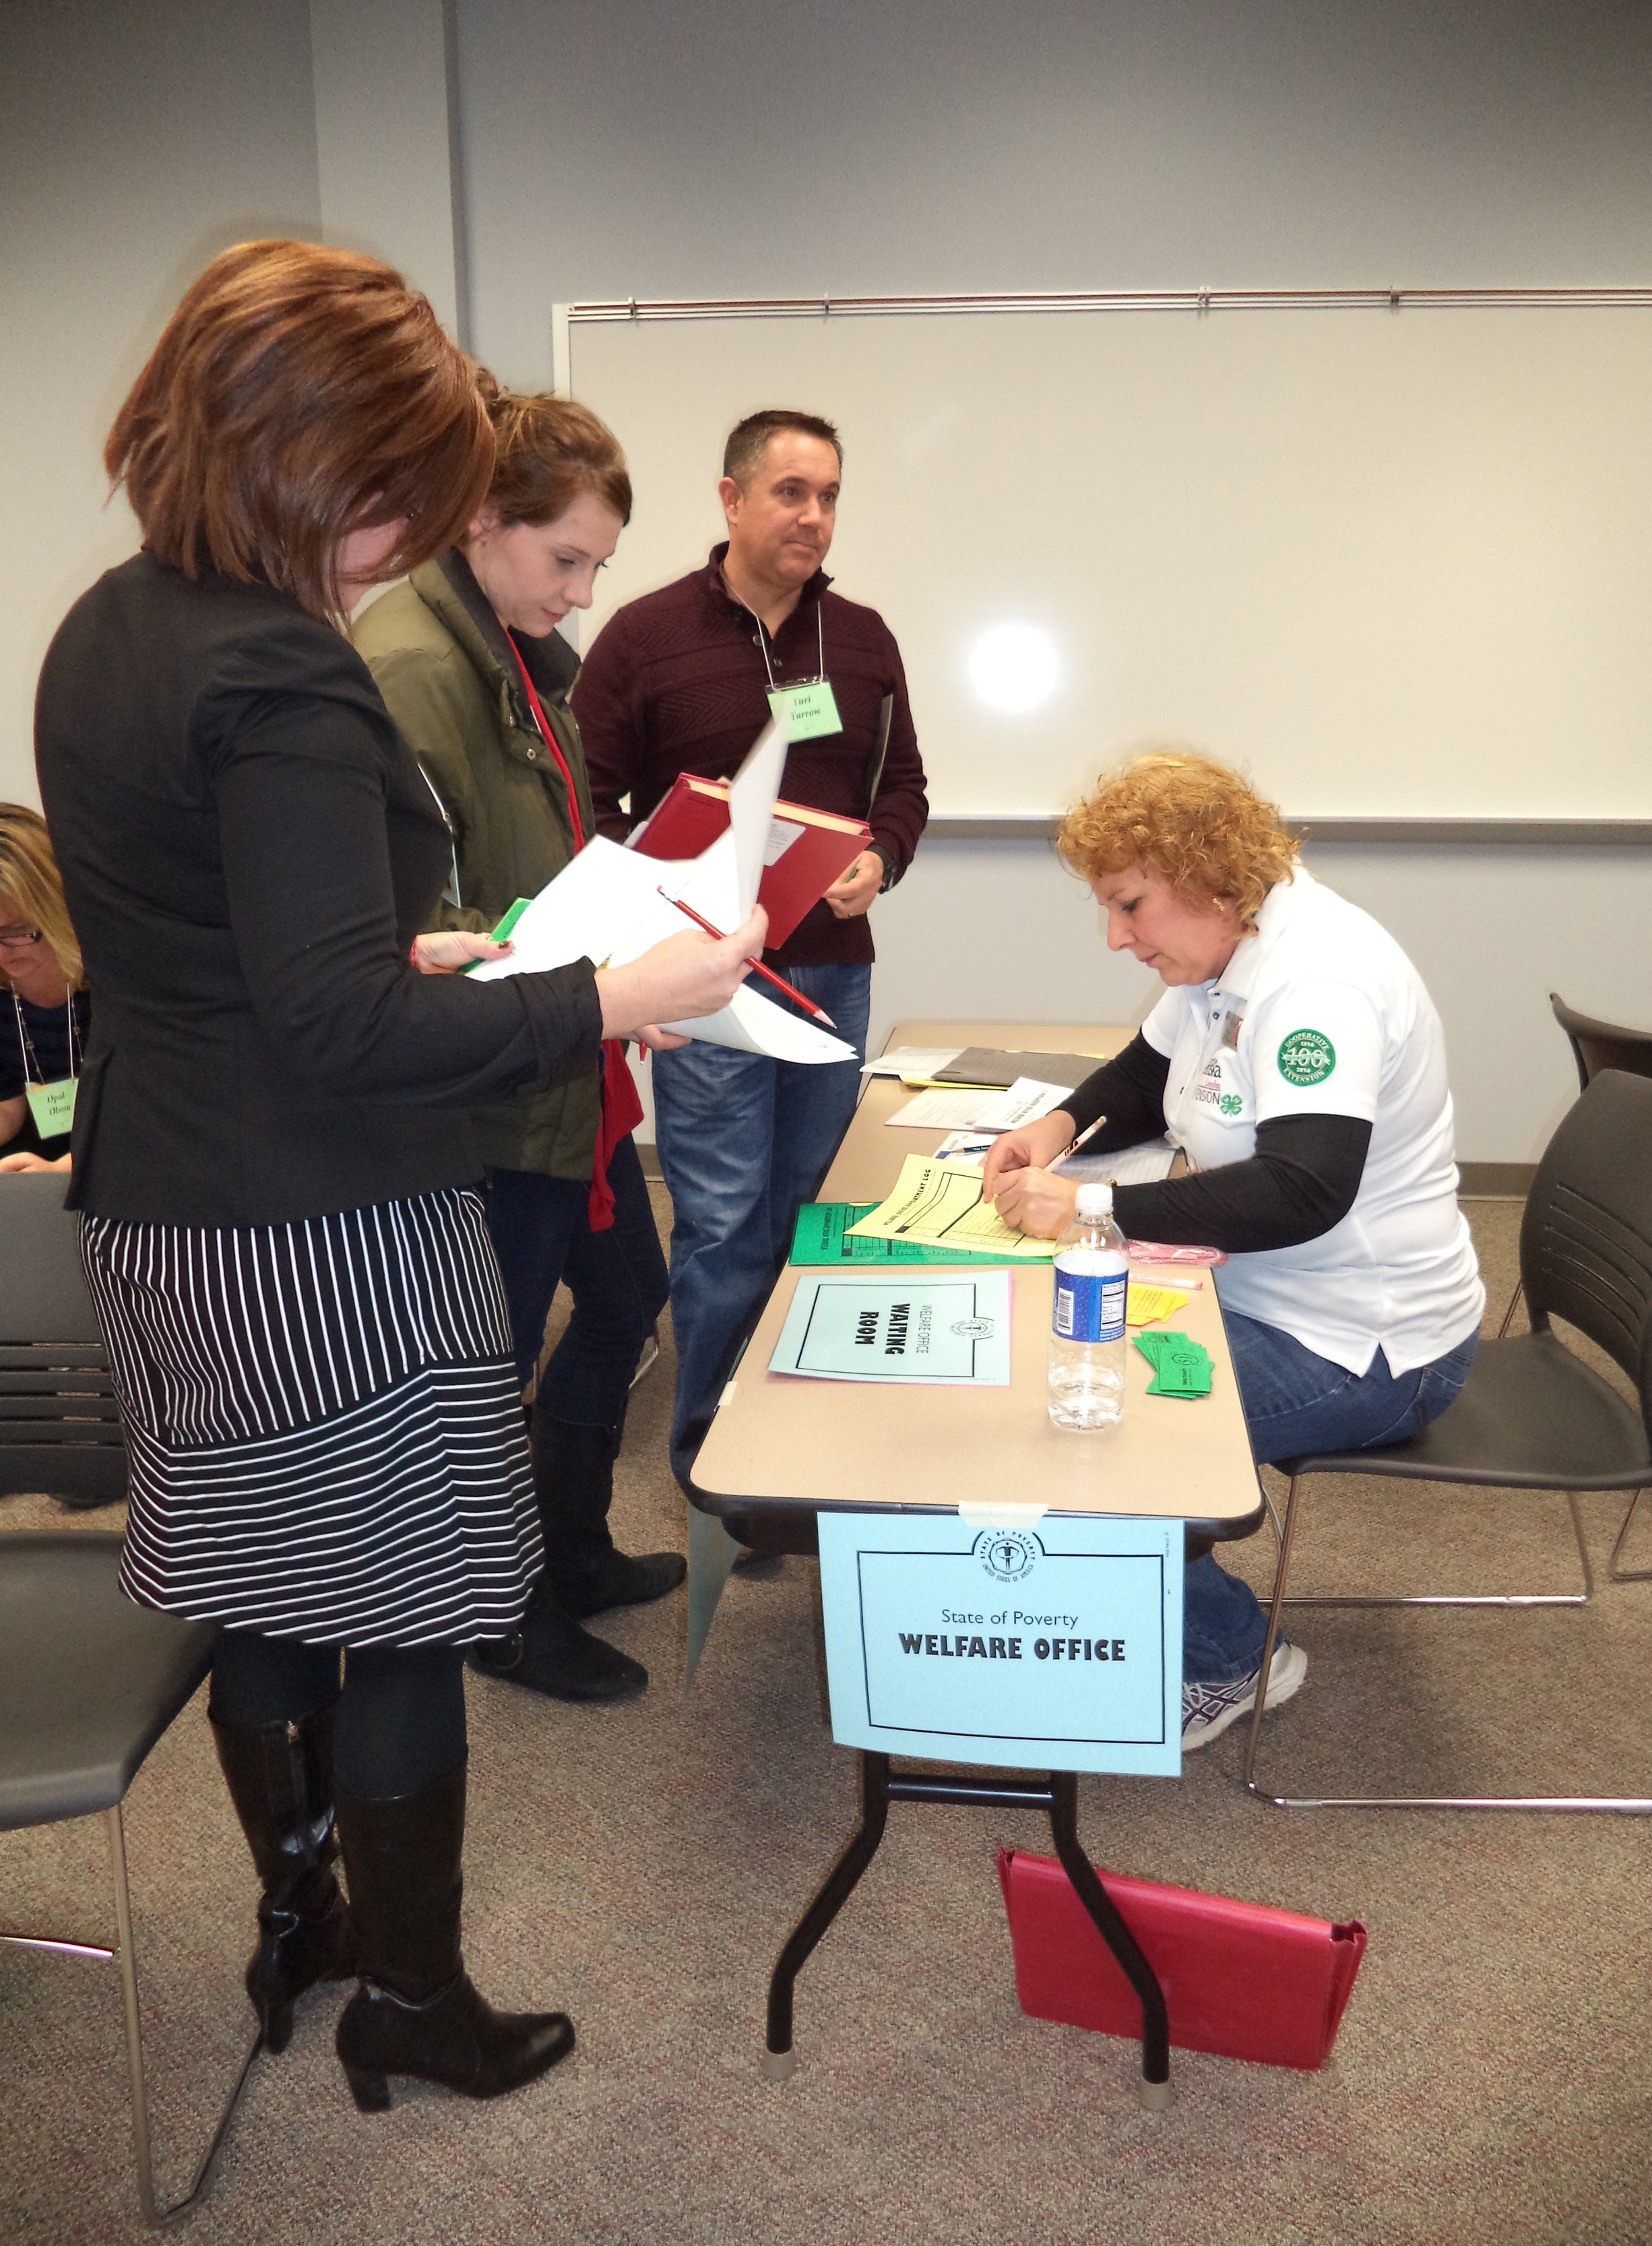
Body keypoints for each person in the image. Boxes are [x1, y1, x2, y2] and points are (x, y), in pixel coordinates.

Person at [34, 239, 763, 2113]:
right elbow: (339, 1035)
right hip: (323, 1224)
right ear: (311, 461)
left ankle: (305, 1923)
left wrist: (407, 950)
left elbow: (232, 956)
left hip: (164, 1205)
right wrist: (616, 991)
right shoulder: (285, 671)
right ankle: (414, 1997)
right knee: (413, 1604)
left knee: (266, 1593)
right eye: (391, 499)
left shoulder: (111, 623)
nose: (401, 537)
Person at [982, 750, 1484, 1751]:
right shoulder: (1230, 947)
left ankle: (1233, 1659)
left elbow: (1305, 1187)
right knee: (1045, 1369)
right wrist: (1058, 1129)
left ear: (1210, 878)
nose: (1117, 938)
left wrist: (1092, 1205)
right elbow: (1144, 1070)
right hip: (1255, 1291)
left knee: (1094, 1437)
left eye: (1130, 907)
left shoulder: (1318, 981)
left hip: (1367, 1344)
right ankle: (1123, 1593)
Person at [353, 384, 679, 1706]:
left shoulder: (505, 646)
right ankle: (506, 1610)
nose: (586, 591)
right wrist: (593, 968)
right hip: (494, 1092)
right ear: (480, 518)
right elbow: (398, 923)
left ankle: (574, 1550)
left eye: (599, 562)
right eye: (566, 559)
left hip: (566, 1069)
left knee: (619, 1303)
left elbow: (539, 859)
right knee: (482, 1375)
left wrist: (629, 939)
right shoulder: (411, 666)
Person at [575, 408, 929, 1487]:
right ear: (731, 499)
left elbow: (905, 787)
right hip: (705, 978)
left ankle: (799, 1450)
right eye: (791, 493)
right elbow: (581, 802)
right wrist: (647, 926)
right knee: (725, 1226)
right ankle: (712, 1464)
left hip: (831, 971)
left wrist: (883, 855)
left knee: (812, 1217)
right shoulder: (642, 635)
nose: (814, 517)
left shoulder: (863, 638)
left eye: (829, 496)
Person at [0, 805, 87, 1174]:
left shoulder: (118, 984)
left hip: (126, 1156)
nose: (3, 954)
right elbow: (8, 1104)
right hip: (32, 1158)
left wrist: (62, 1171)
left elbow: (151, 1115)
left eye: (17, 932)